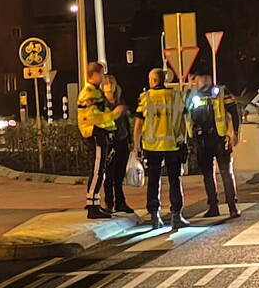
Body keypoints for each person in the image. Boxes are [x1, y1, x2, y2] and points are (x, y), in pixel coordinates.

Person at [133, 68, 188, 230]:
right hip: (173, 146)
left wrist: (136, 145)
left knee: (154, 181)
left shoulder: (146, 98)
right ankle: (176, 216)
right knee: (174, 181)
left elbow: (138, 124)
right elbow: (184, 122)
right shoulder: (176, 96)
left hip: (151, 147)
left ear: (153, 80)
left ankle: (155, 216)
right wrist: (183, 141)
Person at [187, 70, 241, 218]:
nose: (202, 80)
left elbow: (234, 112)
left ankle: (232, 206)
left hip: (220, 138)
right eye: (198, 77)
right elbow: (186, 113)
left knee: (225, 173)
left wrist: (235, 133)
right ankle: (213, 207)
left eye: (205, 77)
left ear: (210, 78)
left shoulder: (221, 91)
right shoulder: (193, 95)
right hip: (202, 139)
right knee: (207, 175)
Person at [77, 62, 123, 219]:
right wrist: (114, 115)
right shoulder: (89, 93)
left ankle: (95, 204)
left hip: (99, 133)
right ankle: (92, 206)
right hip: (95, 133)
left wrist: (110, 127)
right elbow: (95, 116)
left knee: (100, 170)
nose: (103, 78)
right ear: (95, 74)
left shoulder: (94, 92)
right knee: (98, 170)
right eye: (102, 74)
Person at [101, 74, 134, 214]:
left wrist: (131, 140)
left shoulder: (120, 102)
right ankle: (109, 203)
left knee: (119, 176)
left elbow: (127, 122)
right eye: (106, 84)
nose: (109, 86)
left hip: (122, 141)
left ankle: (121, 203)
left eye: (111, 83)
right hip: (109, 143)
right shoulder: (101, 104)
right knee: (109, 175)